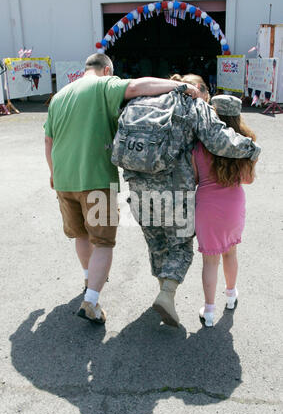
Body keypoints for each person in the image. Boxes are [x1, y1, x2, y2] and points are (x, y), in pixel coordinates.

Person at [44, 53, 199, 325]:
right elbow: (137, 87)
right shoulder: (103, 85)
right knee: (103, 242)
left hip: (64, 181)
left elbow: (48, 140)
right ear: (106, 70)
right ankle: (90, 301)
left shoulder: (60, 96)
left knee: (81, 234)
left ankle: (87, 278)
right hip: (95, 180)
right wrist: (179, 86)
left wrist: (53, 174)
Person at [123, 75, 261, 328]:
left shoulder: (145, 101)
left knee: (156, 242)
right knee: (180, 245)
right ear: (198, 90)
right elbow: (220, 141)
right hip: (174, 190)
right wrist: (252, 149)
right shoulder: (193, 104)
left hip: (138, 186)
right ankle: (167, 293)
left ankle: (163, 289)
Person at [191, 95, 257, 327]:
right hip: (233, 205)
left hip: (207, 206)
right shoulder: (246, 141)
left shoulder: (199, 143)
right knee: (231, 253)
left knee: (210, 262)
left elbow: (195, 178)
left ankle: (208, 311)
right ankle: (231, 296)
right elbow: (247, 179)